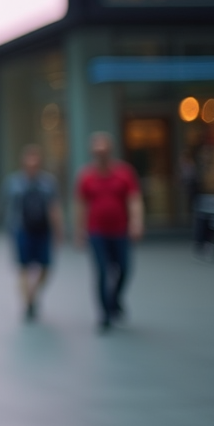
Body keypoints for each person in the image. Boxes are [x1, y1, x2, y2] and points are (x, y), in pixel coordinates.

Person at [75, 132, 144, 332]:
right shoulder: (86, 176)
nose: (101, 154)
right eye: (97, 151)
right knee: (103, 271)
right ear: (92, 153)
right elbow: (81, 205)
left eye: (104, 150)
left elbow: (134, 200)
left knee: (124, 269)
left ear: (110, 151)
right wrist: (80, 230)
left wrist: (136, 222)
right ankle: (104, 314)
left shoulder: (124, 173)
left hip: (120, 231)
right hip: (97, 232)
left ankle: (115, 299)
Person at [1, 145, 63, 321]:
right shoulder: (13, 183)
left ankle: (33, 295)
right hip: (21, 230)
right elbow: (7, 207)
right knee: (23, 268)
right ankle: (28, 302)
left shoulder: (47, 183)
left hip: (43, 231)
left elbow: (54, 207)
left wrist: (58, 231)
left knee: (45, 267)